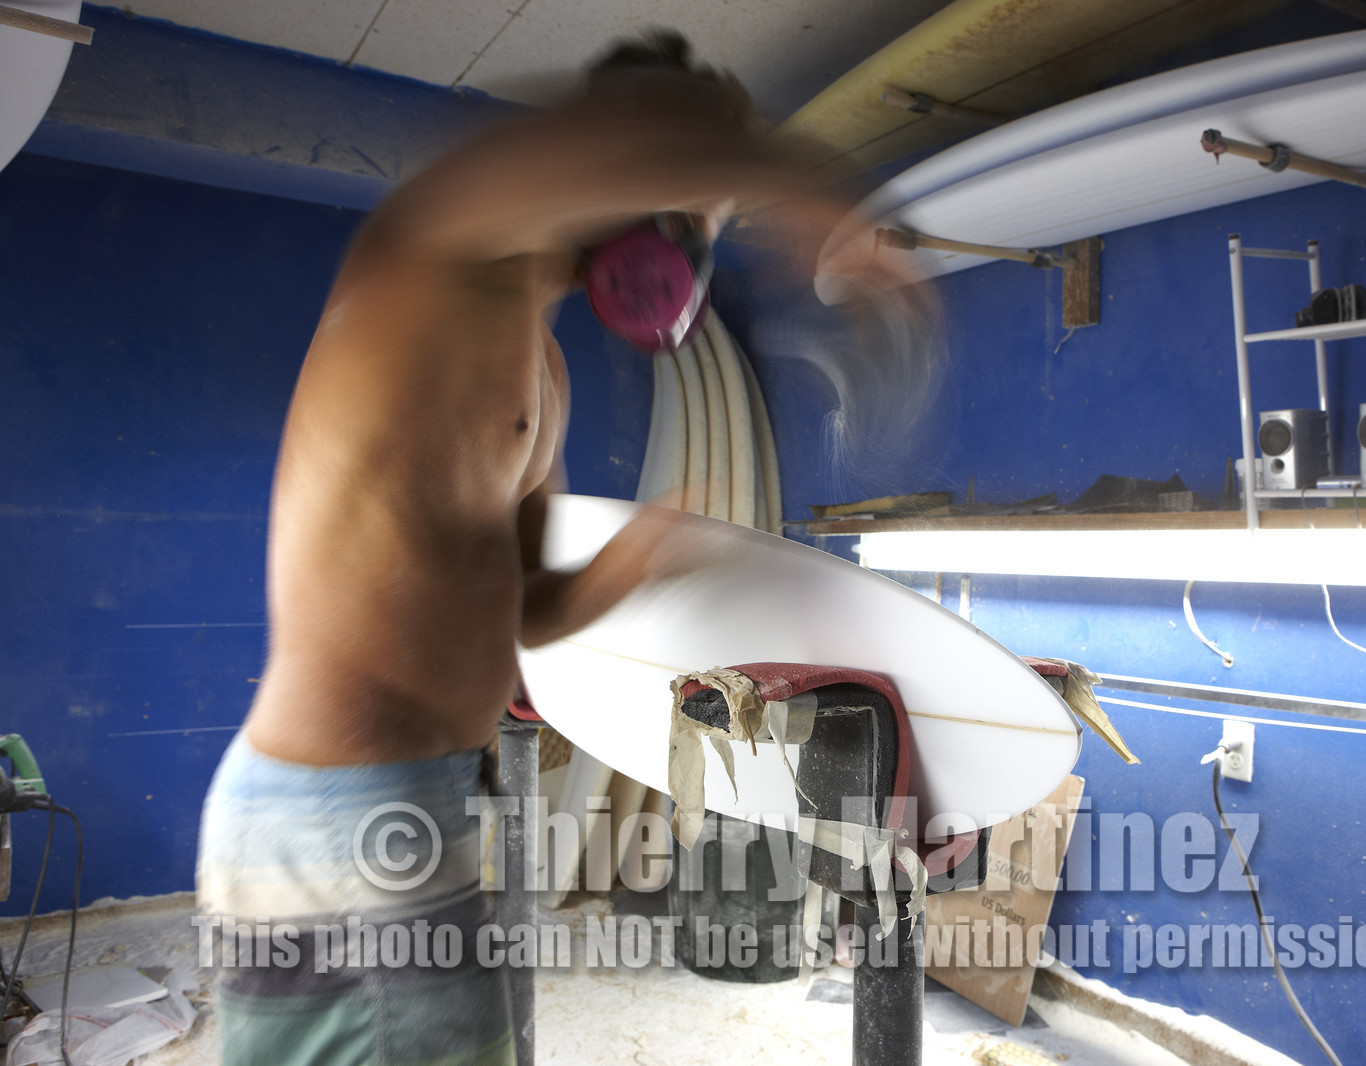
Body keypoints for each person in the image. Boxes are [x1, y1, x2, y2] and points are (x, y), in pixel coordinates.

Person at [195, 31, 931, 1066]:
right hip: (343, 808)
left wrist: (645, 555)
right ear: (620, 153)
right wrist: (811, 198)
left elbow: (527, 600)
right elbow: (625, 157)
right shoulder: (436, 238)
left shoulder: (541, 364)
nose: (693, 242)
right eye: (691, 213)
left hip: (430, 800)